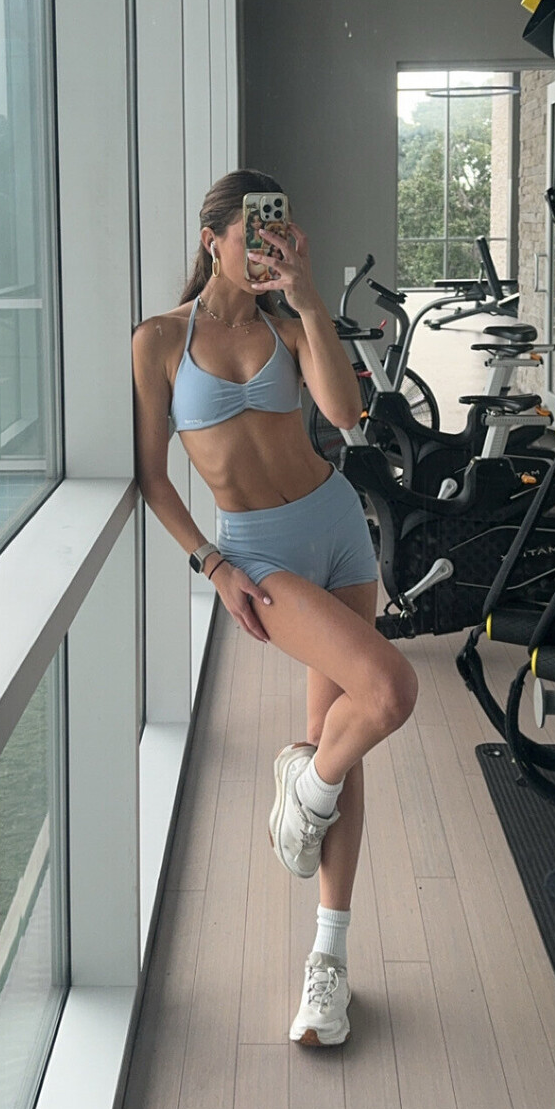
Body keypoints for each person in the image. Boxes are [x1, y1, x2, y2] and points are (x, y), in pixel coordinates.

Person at [131, 169, 418, 1045]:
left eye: (278, 233)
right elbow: (153, 477)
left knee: (340, 735)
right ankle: (307, 780)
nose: (267, 246)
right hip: (258, 554)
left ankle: (327, 965)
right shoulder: (159, 340)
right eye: (253, 235)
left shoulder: (288, 325)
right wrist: (213, 564)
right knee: (389, 693)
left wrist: (308, 296)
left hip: (337, 526)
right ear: (212, 238)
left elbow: (346, 410)